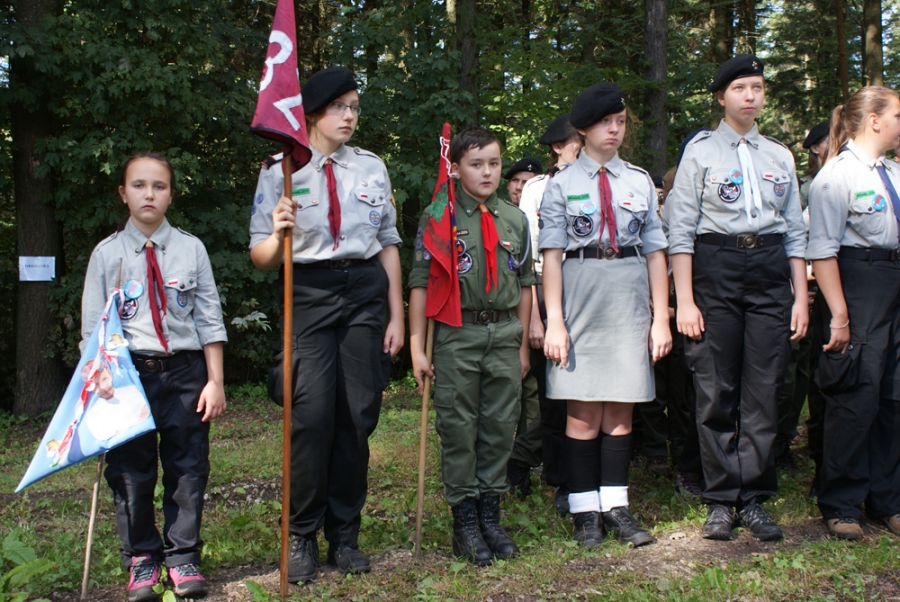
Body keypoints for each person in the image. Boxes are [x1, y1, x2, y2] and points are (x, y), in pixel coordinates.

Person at [249, 67, 404, 581]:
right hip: (308, 292)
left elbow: (387, 243)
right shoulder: (280, 171)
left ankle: (345, 535)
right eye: (339, 107)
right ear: (312, 114)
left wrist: (397, 314)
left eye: (355, 107)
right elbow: (260, 257)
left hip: (364, 293)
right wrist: (278, 232)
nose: (349, 116)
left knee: (357, 417)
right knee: (311, 416)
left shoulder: (371, 168)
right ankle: (299, 534)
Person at [663, 54, 809, 542]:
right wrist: (685, 300)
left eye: (758, 87)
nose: (751, 96)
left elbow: (795, 231)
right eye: (741, 88)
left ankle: (754, 496)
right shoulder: (701, 153)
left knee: (764, 388)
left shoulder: (779, 155)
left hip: (770, 269)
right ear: (721, 97)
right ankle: (723, 497)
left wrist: (799, 297)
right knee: (716, 387)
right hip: (716, 266)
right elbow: (681, 232)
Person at [81, 151, 228, 601]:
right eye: (139, 185)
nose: (149, 194)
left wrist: (215, 380)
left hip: (185, 373)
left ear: (171, 194)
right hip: (126, 378)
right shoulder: (106, 254)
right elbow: (93, 330)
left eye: (159, 186)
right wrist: (100, 377)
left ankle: (183, 556)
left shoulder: (191, 249)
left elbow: (209, 319)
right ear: (123, 193)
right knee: (131, 472)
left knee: (188, 468)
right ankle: (142, 558)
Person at [540, 83, 671, 548]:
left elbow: (655, 251)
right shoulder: (561, 184)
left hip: (628, 294)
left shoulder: (638, 180)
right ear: (582, 128)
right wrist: (555, 321)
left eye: (620, 122)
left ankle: (616, 507)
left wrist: (660, 317)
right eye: (604, 122)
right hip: (581, 293)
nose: (613, 130)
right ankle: (583, 511)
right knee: (582, 408)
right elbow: (551, 256)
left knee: (621, 406)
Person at [409, 126, 534, 565]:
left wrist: (522, 345)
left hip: (504, 333)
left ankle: (490, 516)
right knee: (459, 426)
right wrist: (417, 347)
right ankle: (464, 521)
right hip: (457, 333)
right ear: (457, 168)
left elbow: (525, 284)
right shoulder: (439, 217)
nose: (487, 172)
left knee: (500, 425)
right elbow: (421, 284)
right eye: (476, 164)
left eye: (494, 163)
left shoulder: (515, 219)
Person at [806, 86, 900, 540]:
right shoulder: (835, 176)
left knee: (893, 397)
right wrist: (839, 315)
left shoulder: (893, 173)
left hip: (894, 282)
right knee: (856, 394)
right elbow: (822, 250)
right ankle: (842, 501)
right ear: (874, 121)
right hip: (858, 283)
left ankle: (888, 499)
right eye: (898, 115)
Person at [518, 114, 584, 513]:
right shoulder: (537, 189)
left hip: (589, 288)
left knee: (588, 390)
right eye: (578, 142)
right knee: (553, 393)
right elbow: (528, 256)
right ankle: (560, 479)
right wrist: (535, 318)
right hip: (546, 286)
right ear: (558, 146)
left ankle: (590, 474)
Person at [775, 120, 829, 472]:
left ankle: (791, 442)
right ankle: (774, 446)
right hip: (787, 289)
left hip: (817, 289)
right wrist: (797, 285)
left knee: (805, 374)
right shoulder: (810, 188)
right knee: (786, 373)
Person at [503, 156, 544, 497]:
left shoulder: (543, 213)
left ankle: (523, 459)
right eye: (516, 180)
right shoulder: (497, 218)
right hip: (503, 317)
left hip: (540, 306)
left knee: (536, 395)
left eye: (528, 181)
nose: (520, 187)